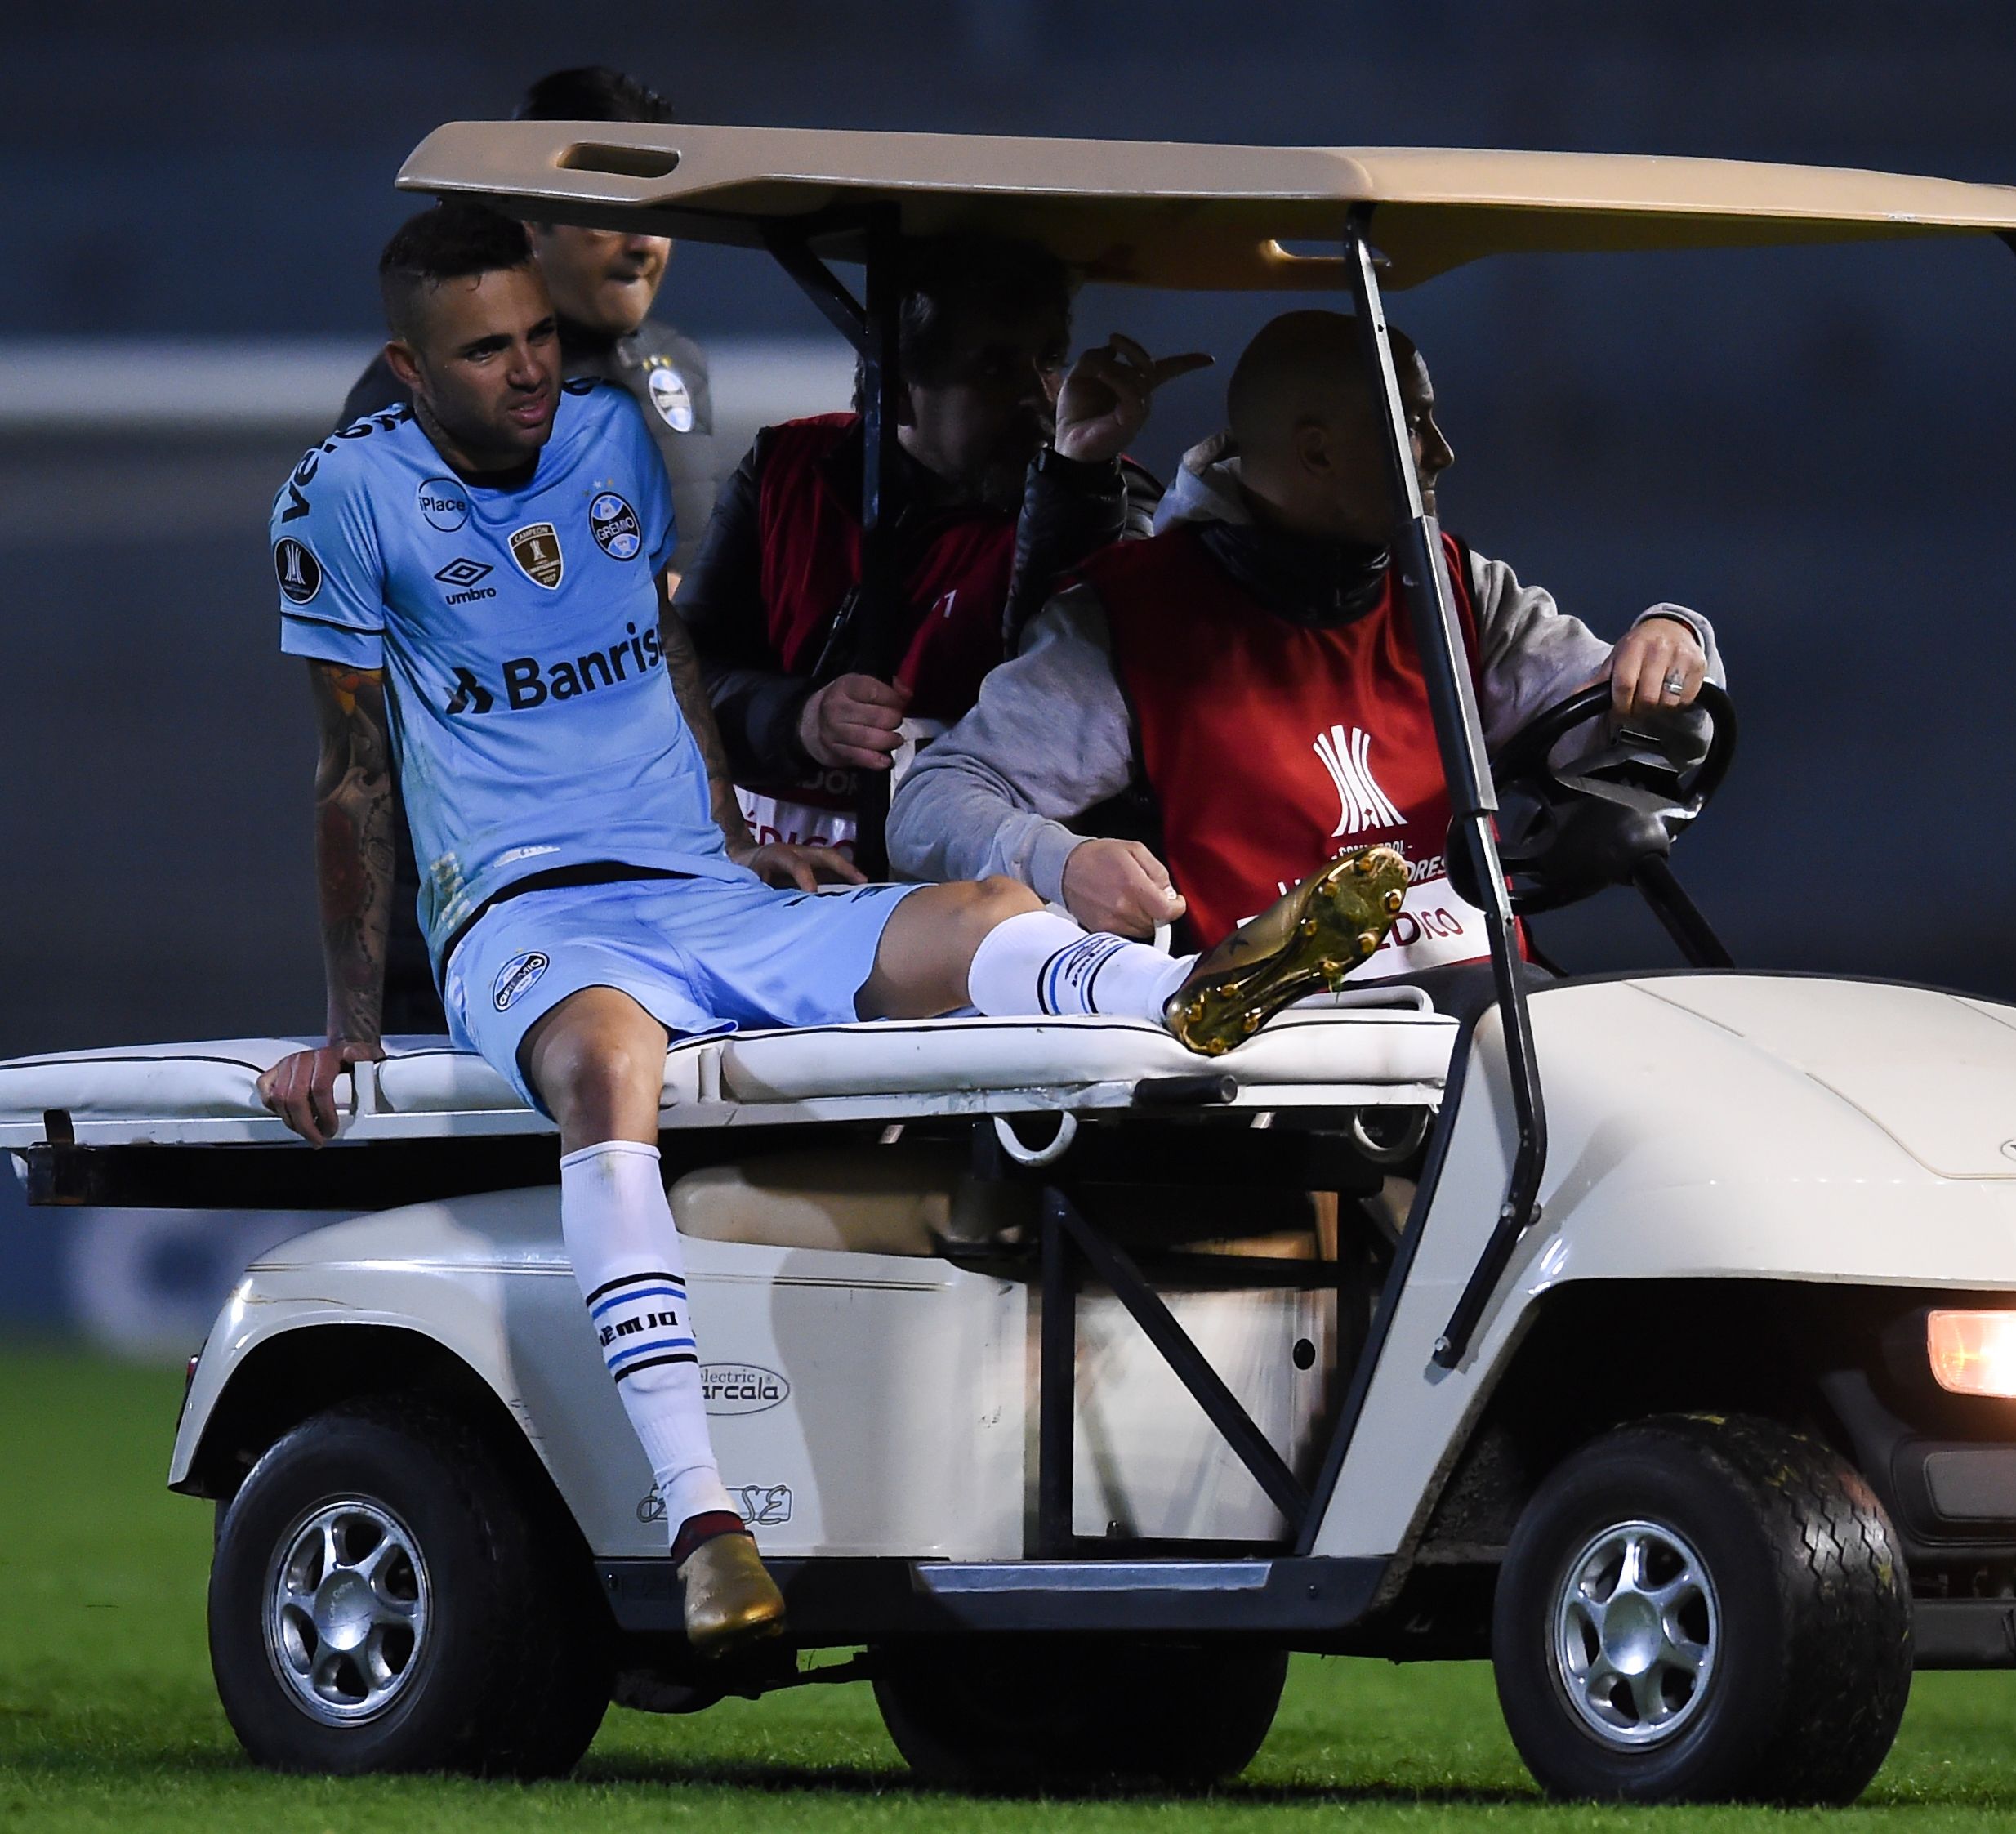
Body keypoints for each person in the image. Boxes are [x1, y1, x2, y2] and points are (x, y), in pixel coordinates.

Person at [253, 207, 1407, 1655]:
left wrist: (739, 842)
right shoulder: (340, 502)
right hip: (525, 906)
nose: (532, 369)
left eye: (540, 335)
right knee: (613, 1067)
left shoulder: (609, 438)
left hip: (697, 881)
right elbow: (349, 773)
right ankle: (701, 1519)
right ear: (408, 369)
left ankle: (1183, 991)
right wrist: (352, 1030)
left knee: (986, 910)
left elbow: (669, 662)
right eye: (489, 349)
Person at [888, 310, 1723, 986]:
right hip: (1276, 1053)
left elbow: (1626, 724)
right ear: (1317, 450)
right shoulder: (1129, 619)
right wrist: (1061, 862)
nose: (1442, 453)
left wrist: (1674, 646)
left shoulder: (1450, 584)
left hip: (1484, 1004)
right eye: (1414, 425)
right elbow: (930, 802)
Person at [342, 66, 720, 1037]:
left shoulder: (672, 368)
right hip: (499, 895)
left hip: (667, 873)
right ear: (526, 222)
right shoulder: (415, 412)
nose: (645, 240)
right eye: (609, 210)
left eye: (661, 208)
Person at [677, 233, 1205, 863]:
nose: (1039, 396)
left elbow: (1071, 679)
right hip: (773, 875)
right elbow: (680, 676)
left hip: (982, 894)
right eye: (993, 367)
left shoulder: (1107, 496)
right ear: (898, 387)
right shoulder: (785, 469)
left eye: (1048, 359)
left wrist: (1077, 480)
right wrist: (798, 718)